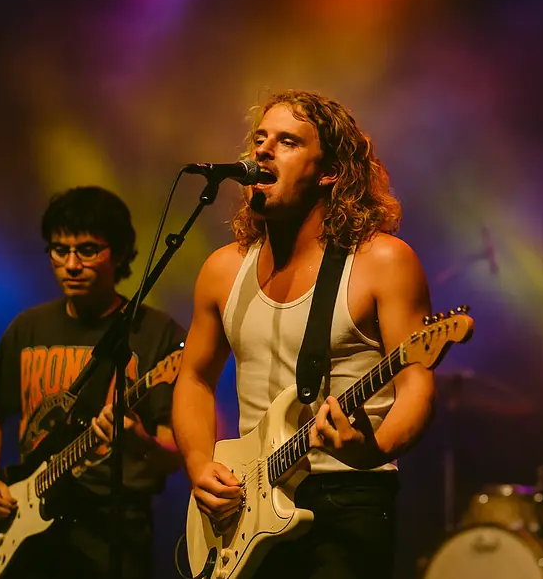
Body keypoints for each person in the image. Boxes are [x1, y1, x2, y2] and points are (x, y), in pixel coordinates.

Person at [172, 89, 436, 579]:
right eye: (260, 139)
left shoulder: (382, 261)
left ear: (330, 170)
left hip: (347, 496)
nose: (263, 151)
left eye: (288, 141)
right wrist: (198, 463)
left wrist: (370, 449)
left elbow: (417, 384)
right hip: (249, 503)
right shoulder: (223, 270)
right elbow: (193, 379)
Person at [0, 186, 187, 579]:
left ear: (119, 253)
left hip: (112, 533)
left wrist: (139, 441)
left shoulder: (156, 333)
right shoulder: (28, 327)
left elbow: (178, 453)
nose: (71, 264)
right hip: (27, 527)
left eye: (87, 250)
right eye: (60, 250)